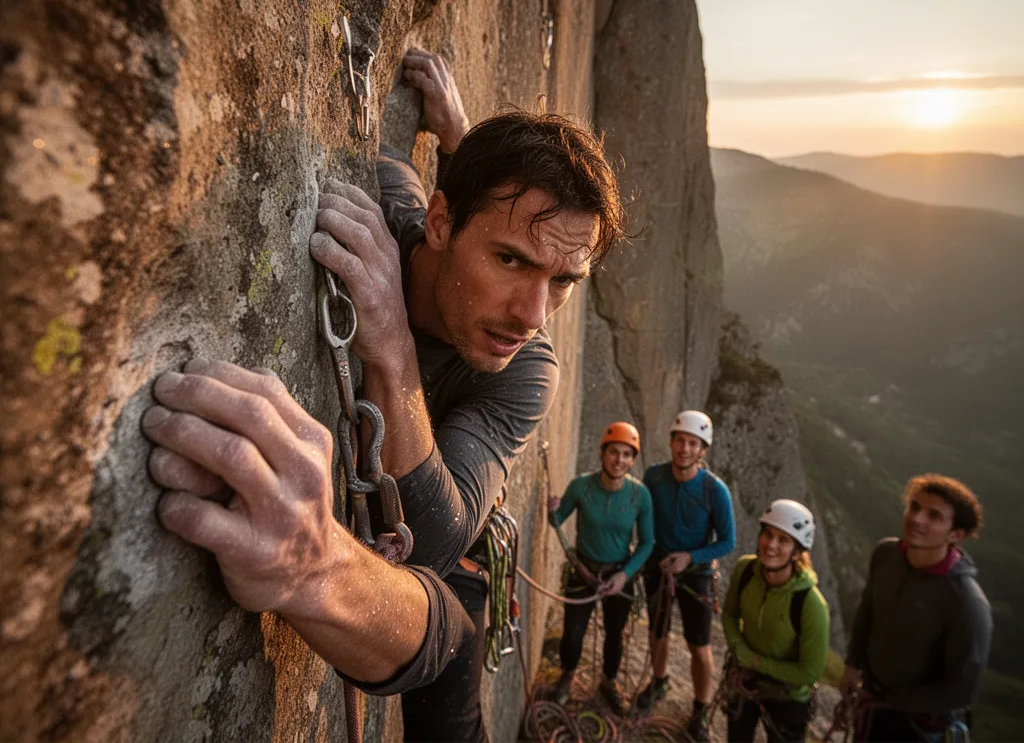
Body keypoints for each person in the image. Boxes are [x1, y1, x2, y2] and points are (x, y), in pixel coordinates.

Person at [141, 46, 626, 712]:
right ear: (440, 222)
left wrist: (392, 348)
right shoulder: (390, 205)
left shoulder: (530, 367)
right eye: (511, 260)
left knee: (455, 680)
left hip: (460, 558)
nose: (532, 315)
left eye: (564, 280)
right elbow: (400, 173)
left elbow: (433, 543)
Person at [842, 474, 992, 742]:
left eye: (934, 516)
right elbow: (868, 612)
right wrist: (852, 663)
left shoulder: (966, 602)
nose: (917, 519)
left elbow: (961, 690)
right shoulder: (886, 555)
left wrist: (892, 701)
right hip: (873, 704)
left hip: (917, 725)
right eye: (914, 507)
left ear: (956, 535)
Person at [636, 410, 736, 742]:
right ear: (671, 442)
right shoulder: (654, 477)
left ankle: (700, 709)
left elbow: (727, 541)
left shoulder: (714, 490)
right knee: (658, 632)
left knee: (700, 644)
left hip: (696, 573)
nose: (684, 448)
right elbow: (644, 517)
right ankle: (660, 681)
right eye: (680, 440)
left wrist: (691, 557)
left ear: (702, 450)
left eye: (693, 443)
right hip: (659, 565)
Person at [546, 422, 654, 715]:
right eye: (614, 452)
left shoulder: (639, 495)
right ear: (602, 454)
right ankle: (567, 675)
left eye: (626, 455)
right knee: (573, 632)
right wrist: (553, 510)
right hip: (584, 569)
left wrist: (624, 575)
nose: (619, 460)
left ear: (633, 460)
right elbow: (557, 521)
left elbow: (647, 542)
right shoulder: (581, 486)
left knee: (615, 633)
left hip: (618, 573)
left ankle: (609, 680)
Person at [721, 499, 830, 743]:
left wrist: (755, 661)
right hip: (745, 681)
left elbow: (809, 671)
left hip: (788, 696)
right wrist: (739, 649)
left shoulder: (811, 604)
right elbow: (729, 614)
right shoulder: (746, 570)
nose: (771, 545)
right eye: (768, 534)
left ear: (797, 551)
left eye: (783, 540)